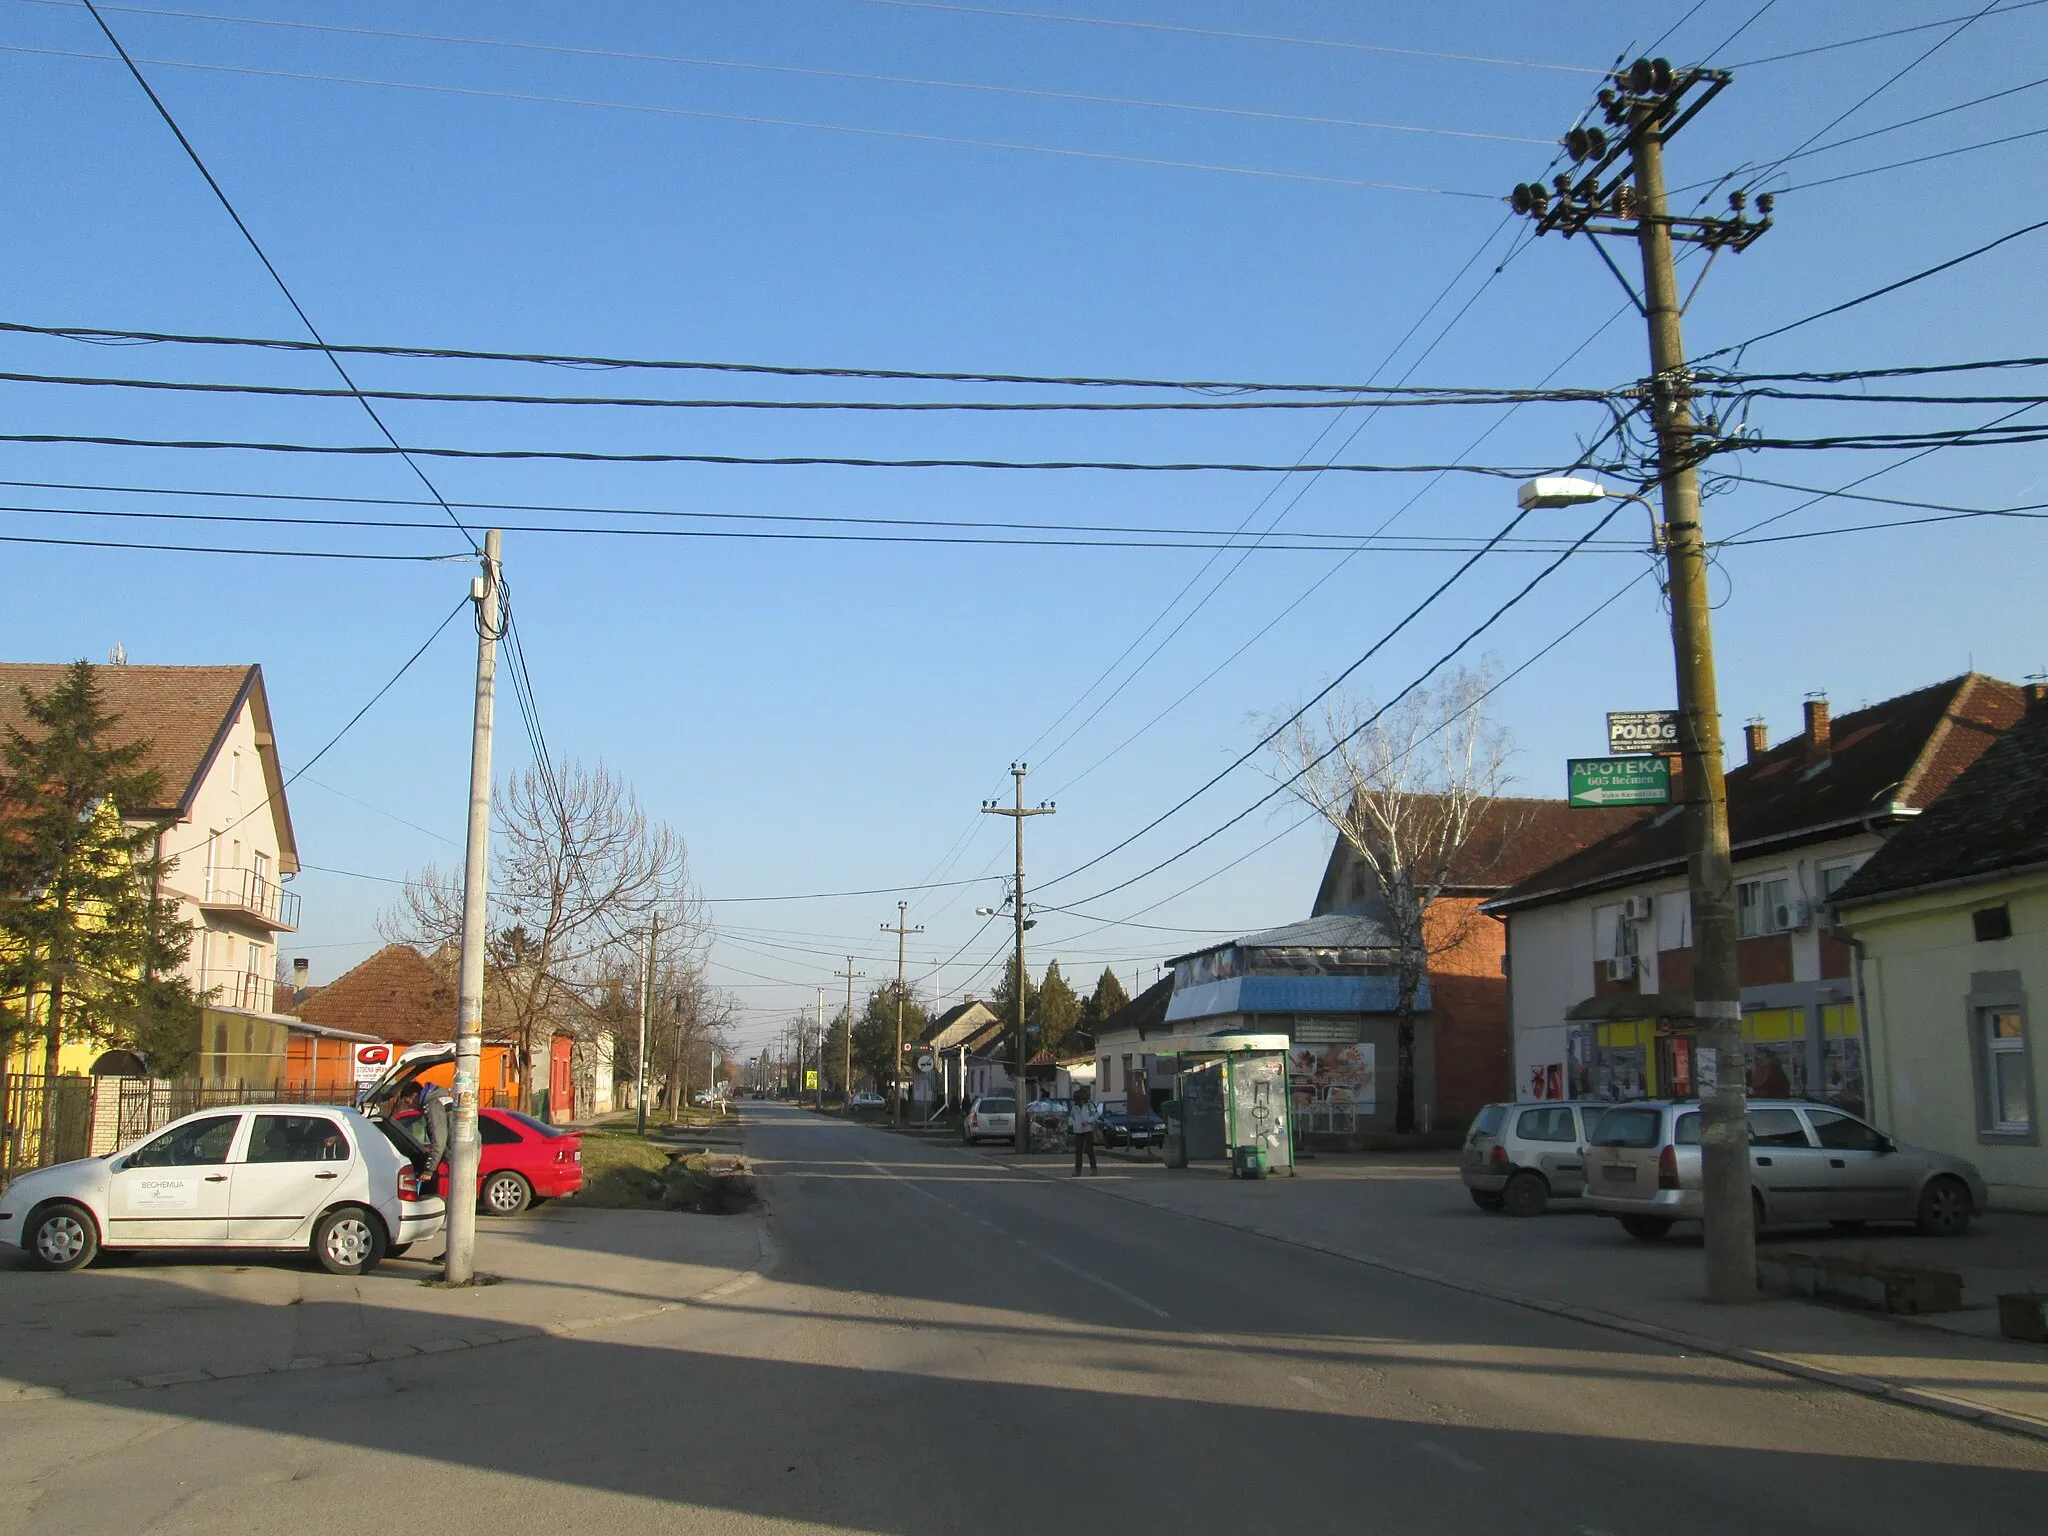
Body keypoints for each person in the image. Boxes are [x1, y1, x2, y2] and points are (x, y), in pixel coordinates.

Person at [411, 1079, 454, 1191]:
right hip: (469, 1148)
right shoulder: (442, 1098)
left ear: (415, 1095)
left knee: (458, 1196)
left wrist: (428, 1170)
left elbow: (439, 1141)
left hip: (458, 1153)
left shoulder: (433, 1104)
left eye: (408, 1101)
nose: (411, 1107)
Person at [1068, 1086, 1101, 1176]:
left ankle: (1094, 1170)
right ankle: (1077, 1171)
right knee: (1078, 1151)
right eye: (1078, 1100)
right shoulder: (1074, 1108)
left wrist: (1088, 1121)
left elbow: (1096, 1115)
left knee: (1089, 1150)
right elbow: (1070, 1117)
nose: (1080, 1102)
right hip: (1078, 1130)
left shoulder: (1090, 1106)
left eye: (1081, 1100)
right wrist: (1073, 1123)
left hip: (1088, 1130)